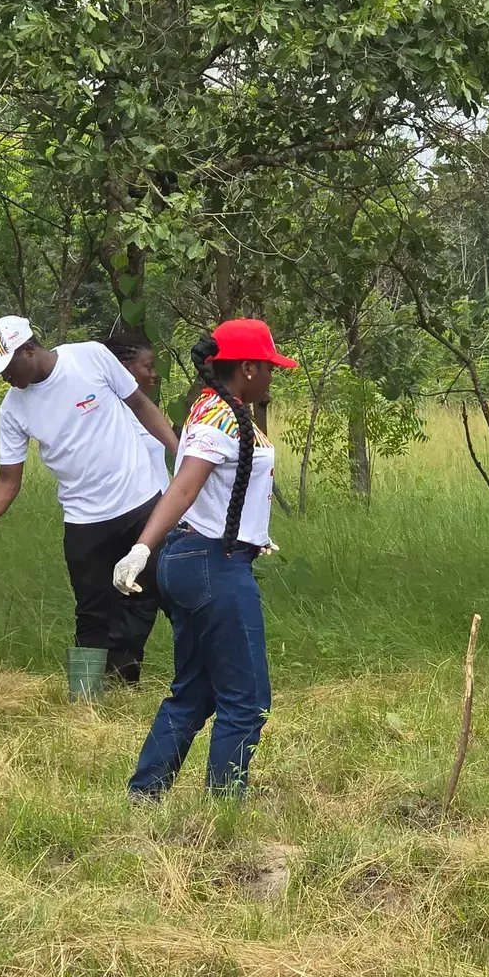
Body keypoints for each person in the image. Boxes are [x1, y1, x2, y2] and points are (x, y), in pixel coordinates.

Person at [0, 316, 178, 685]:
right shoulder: (12, 410)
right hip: (83, 519)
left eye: (7, 367)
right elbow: (8, 480)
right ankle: (86, 697)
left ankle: (133, 681)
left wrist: (180, 454)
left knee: (151, 595)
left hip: (140, 503)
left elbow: (140, 405)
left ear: (29, 349)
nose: (5, 378)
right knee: (91, 610)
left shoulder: (91, 358)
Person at [114, 319, 293, 798]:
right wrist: (140, 547)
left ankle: (145, 794)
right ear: (249, 368)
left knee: (194, 692)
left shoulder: (214, 408)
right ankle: (224, 810)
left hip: (193, 560)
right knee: (247, 700)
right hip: (214, 563)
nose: (273, 377)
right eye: (270, 368)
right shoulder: (222, 417)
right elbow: (186, 485)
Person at [104, 324, 173, 493]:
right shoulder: (114, 415)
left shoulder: (144, 412)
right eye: (148, 367)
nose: (154, 374)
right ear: (124, 368)